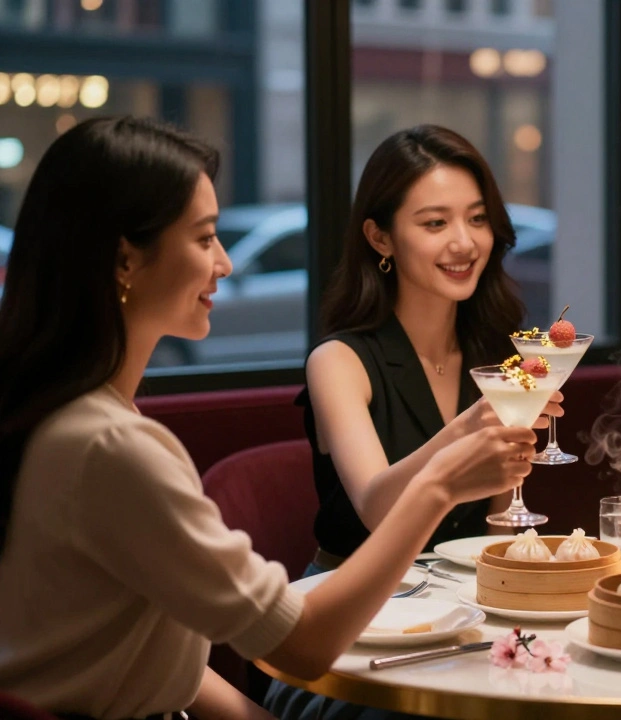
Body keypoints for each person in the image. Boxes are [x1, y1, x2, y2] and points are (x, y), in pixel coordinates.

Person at [0, 116, 535, 719]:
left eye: (477, 218)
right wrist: (438, 484)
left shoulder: (68, 419)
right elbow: (301, 645)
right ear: (126, 260)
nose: (226, 263)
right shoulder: (109, 447)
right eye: (205, 238)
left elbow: (150, 662)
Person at [288, 125, 560, 581]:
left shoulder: (495, 349)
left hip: (459, 594)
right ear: (380, 238)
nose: (465, 243)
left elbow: (501, 522)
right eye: (435, 223)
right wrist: (469, 427)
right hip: (352, 597)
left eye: (477, 218)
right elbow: (376, 509)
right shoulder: (338, 361)